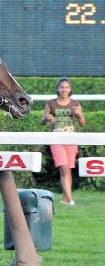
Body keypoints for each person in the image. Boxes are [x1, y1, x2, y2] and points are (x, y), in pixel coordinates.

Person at [41, 77, 85, 206]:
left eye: (66, 87)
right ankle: (71, 200)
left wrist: (79, 115)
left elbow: (82, 123)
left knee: (68, 169)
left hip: (71, 138)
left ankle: (64, 199)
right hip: (56, 138)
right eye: (61, 87)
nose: (64, 90)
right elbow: (42, 121)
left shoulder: (75, 103)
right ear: (57, 89)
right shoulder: (51, 103)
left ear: (70, 89)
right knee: (64, 167)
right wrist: (47, 117)